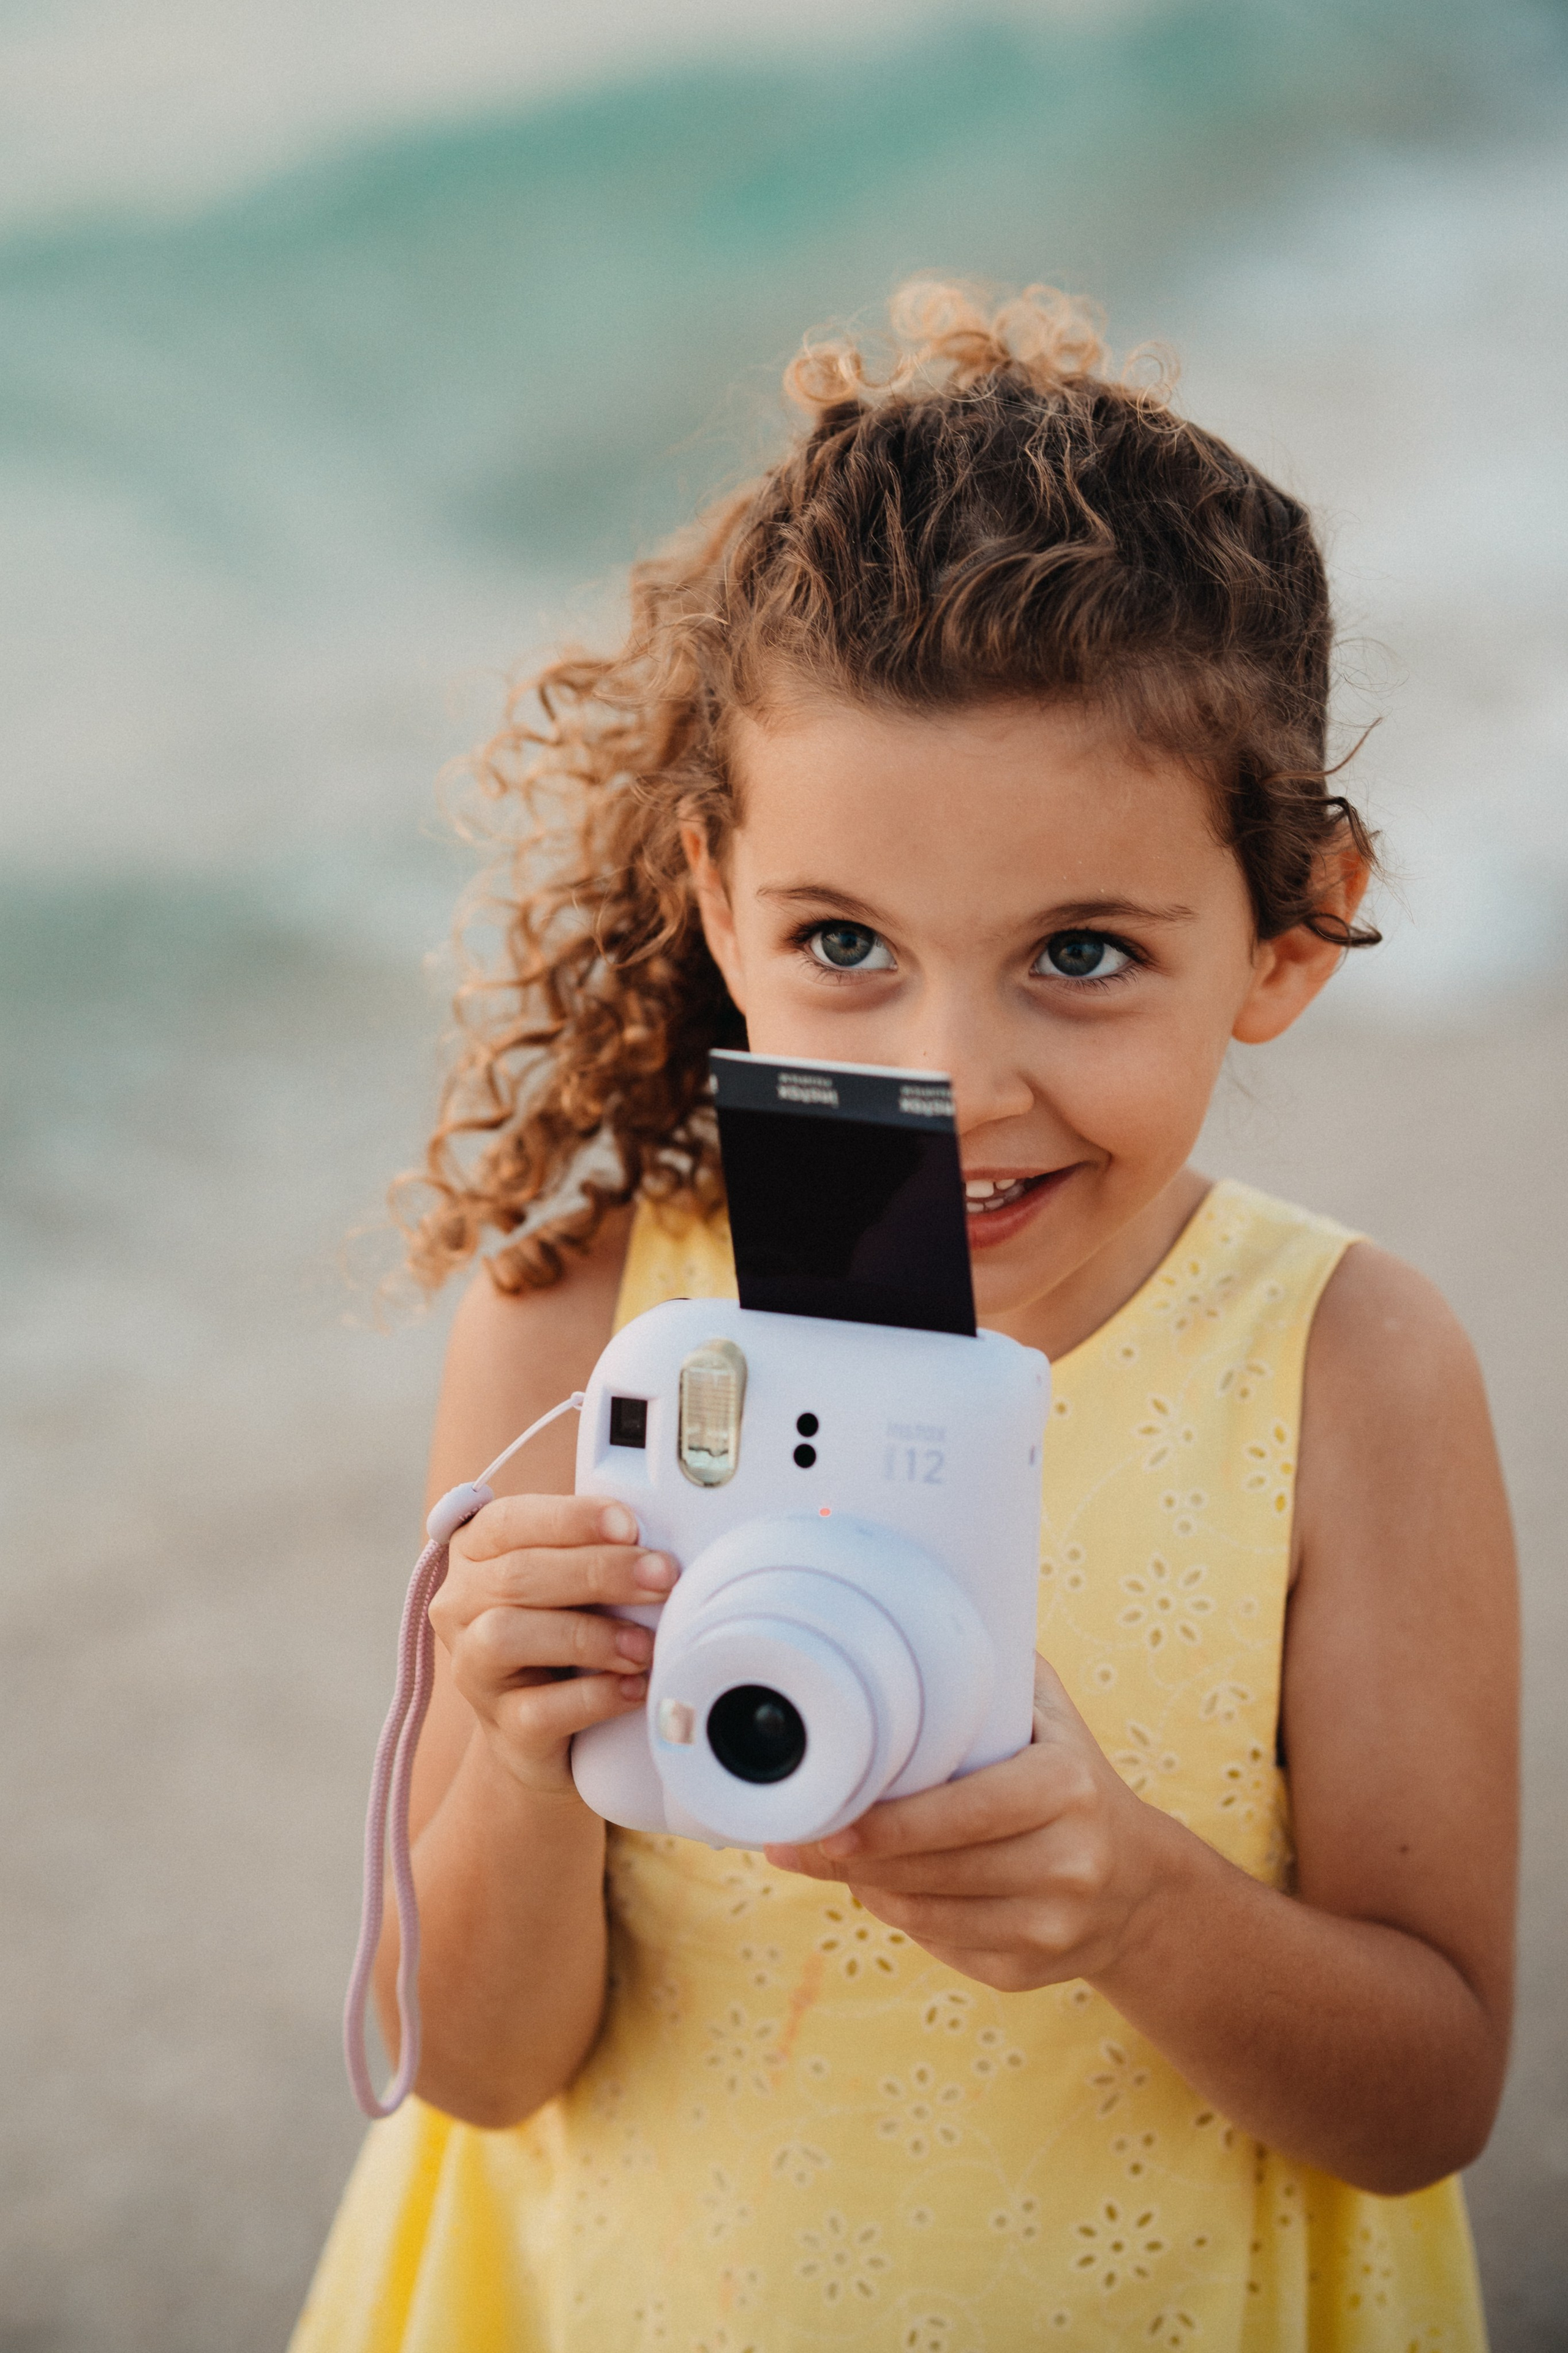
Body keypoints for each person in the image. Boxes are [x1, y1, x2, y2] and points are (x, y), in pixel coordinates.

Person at [292, 284, 1517, 2351]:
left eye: (1086, 953)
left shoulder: (1349, 1371)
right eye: (845, 940)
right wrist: (510, 1763)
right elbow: (478, 2072)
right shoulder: (585, 1323)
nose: (948, 1077)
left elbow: (1426, 2092)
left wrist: (1135, 1899)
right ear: (715, 899)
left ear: (1292, 930)